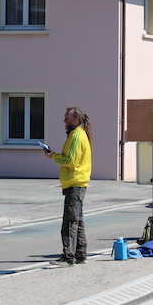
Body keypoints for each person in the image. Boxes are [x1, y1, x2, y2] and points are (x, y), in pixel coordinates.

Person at [44, 106, 92, 266]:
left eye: (67, 118)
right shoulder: (78, 134)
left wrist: (53, 156)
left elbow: (70, 160)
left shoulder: (76, 136)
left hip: (75, 183)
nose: (64, 120)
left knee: (70, 222)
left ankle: (68, 257)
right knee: (78, 221)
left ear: (76, 119)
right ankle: (80, 255)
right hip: (77, 183)